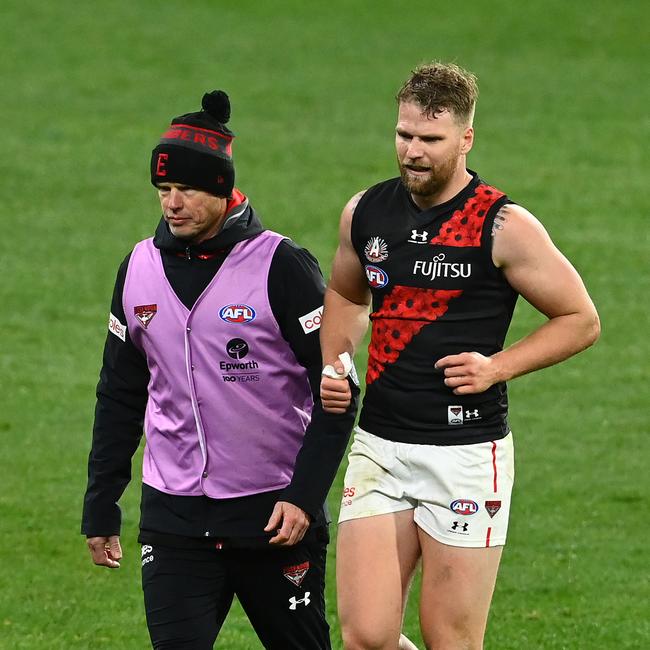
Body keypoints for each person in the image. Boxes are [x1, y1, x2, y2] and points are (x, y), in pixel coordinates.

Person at [319, 62, 600, 650]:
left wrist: (498, 367)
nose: (412, 152)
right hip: (381, 445)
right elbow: (347, 293)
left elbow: (580, 319)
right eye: (404, 136)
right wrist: (335, 362)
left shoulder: (503, 225)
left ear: (466, 139)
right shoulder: (366, 212)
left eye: (430, 139)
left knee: (450, 638)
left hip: (467, 457)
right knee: (365, 636)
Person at [81, 90, 358, 650]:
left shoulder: (283, 267)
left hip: (275, 518)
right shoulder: (137, 268)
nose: (172, 204)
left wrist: (305, 496)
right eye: (163, 190)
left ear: (223, 190)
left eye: (186, 190)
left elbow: (338, 388)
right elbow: (119, 393)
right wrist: (101, 502)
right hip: (174, 520)